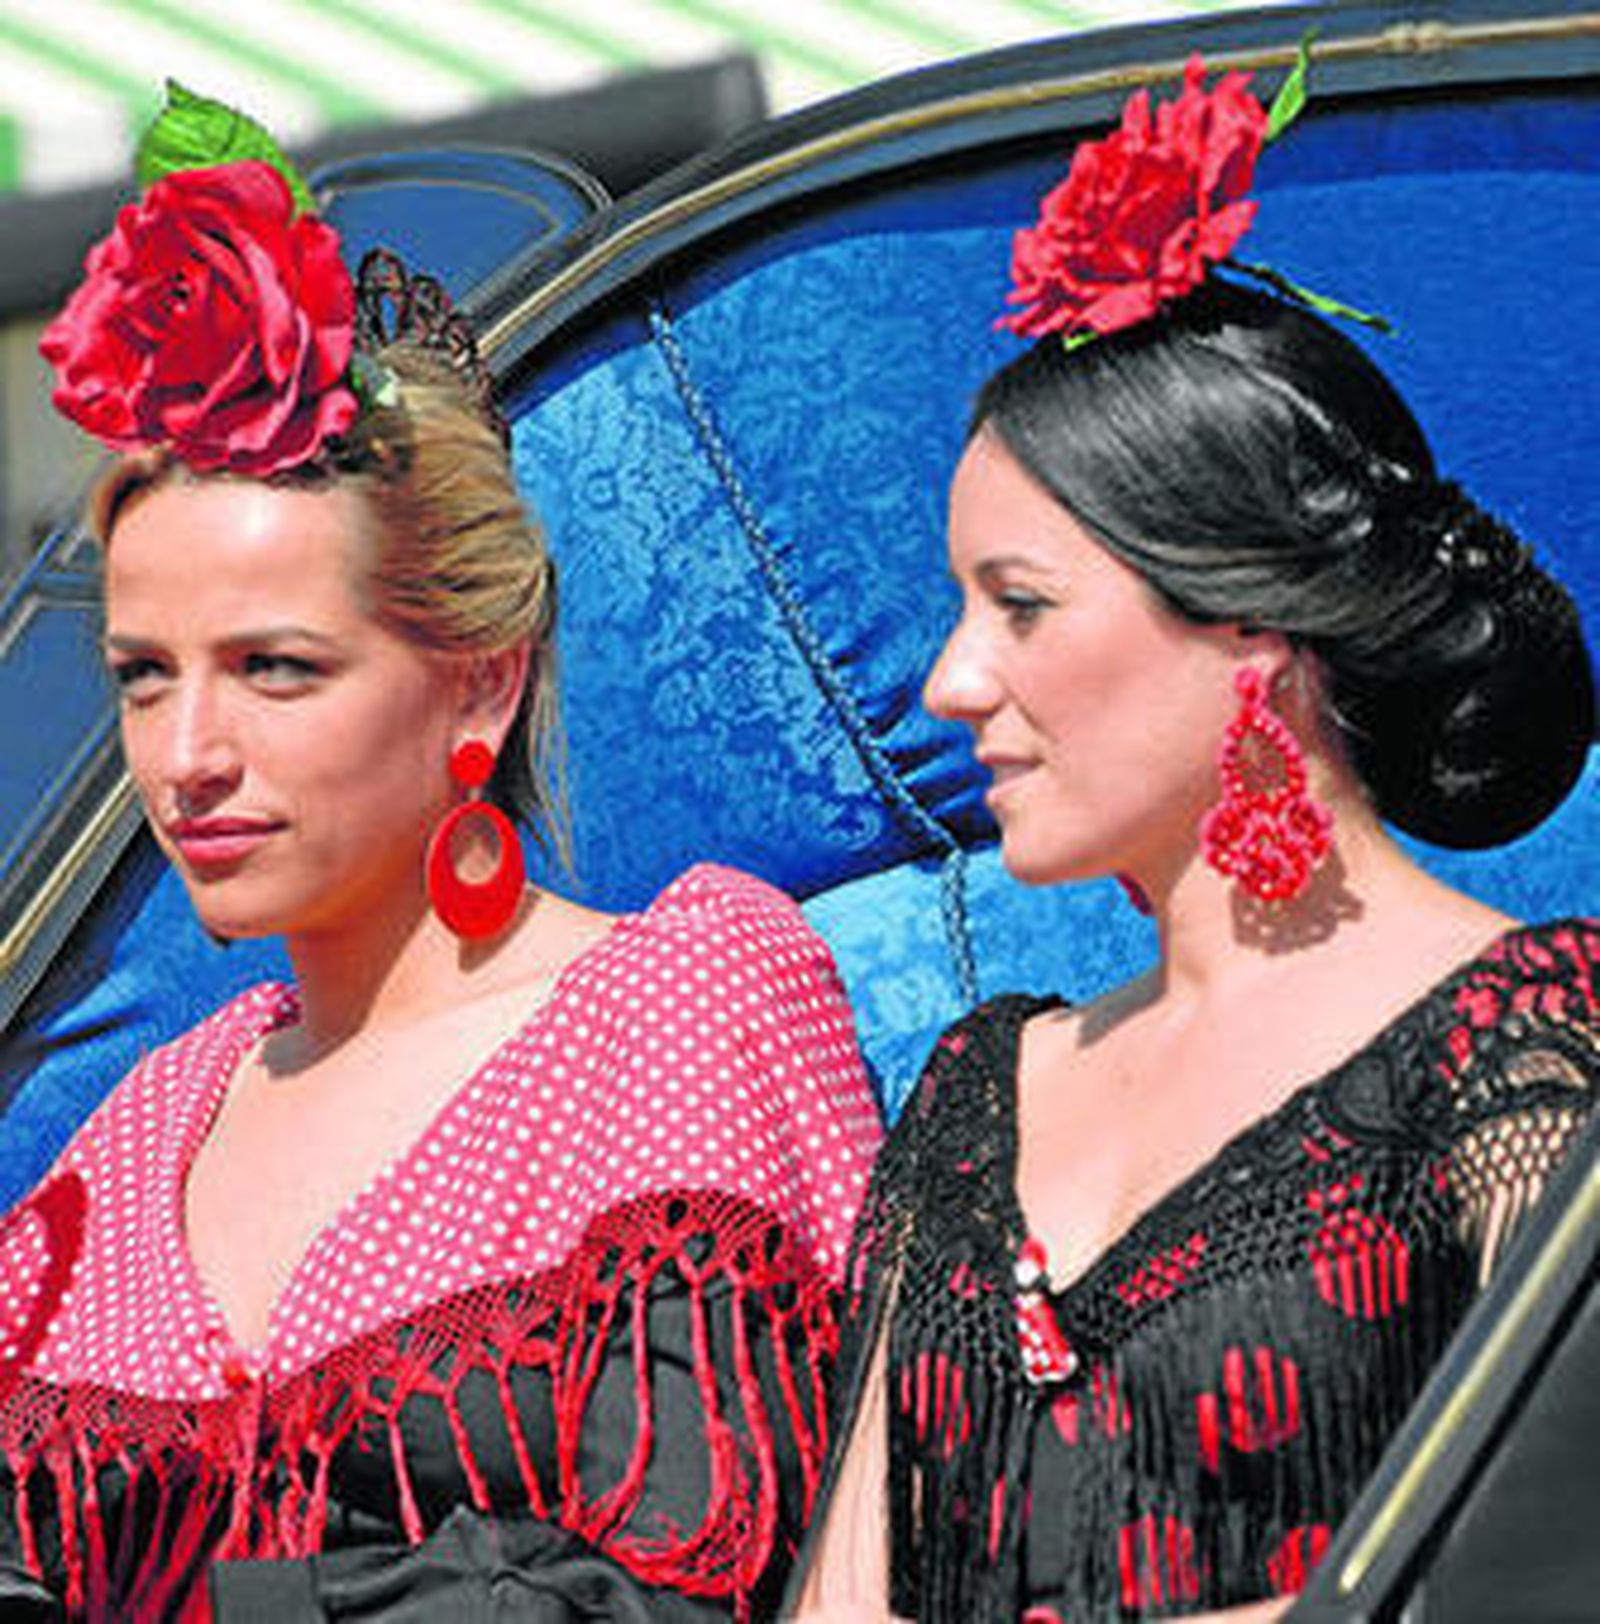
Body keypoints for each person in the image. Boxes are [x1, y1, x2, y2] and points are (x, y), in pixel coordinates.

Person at [0, 89, 881, 1620]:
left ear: (482, 676)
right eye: (146, 674)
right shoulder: (135, 1132)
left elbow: (708, 1581)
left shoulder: (676, 996)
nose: (187, 753)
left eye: (275, 667)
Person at [788, 55, 1598, 1623]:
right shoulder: (973, 1095)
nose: (953, 681)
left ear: (1249, 633)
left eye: (1019, 605)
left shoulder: (1520, 1050)